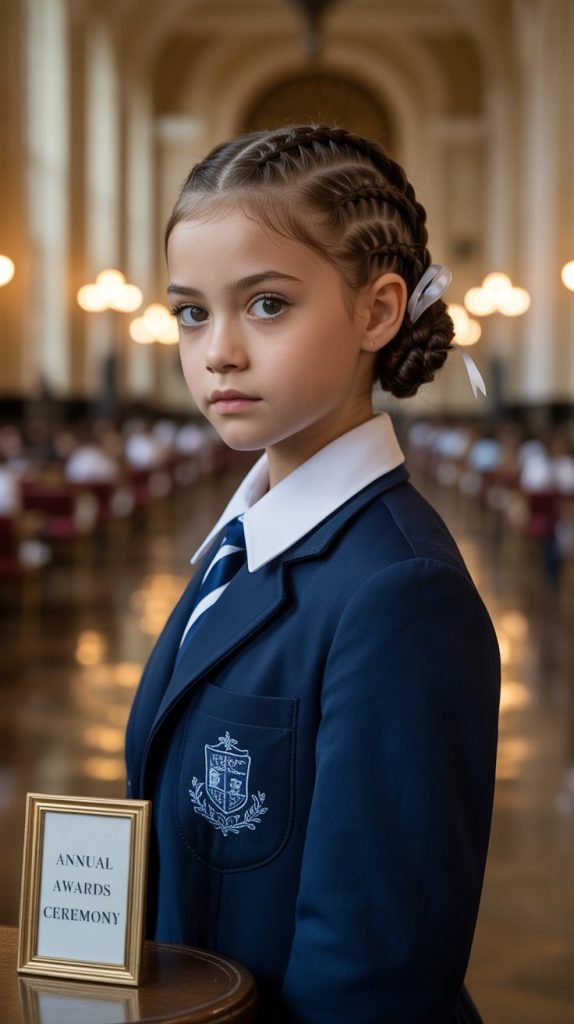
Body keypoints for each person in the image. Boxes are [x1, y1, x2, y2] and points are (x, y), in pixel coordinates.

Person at [125, 124, 500, 1024]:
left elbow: (374, 973)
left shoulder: (400, 594)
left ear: (377, 311)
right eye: (191, 311)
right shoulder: (237, 544)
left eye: (265, 305)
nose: (217, 351)